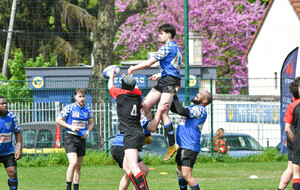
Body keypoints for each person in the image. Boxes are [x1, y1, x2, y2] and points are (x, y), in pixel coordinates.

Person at [128, 23, 182, 161]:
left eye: (161, 33)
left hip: (169, 82)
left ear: (168, 34)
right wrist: (161, 74)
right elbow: (173, 67)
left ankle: (172, 145)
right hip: (165, 80)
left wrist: (133, 69)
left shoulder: (167, 48)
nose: (159, 36)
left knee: (163, 112)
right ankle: (147, 136)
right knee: (144, 106)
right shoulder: (176, 48)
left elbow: (148, 63)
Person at [111, 101, 169, 190]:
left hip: (124, 146)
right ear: (141, 109)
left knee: (142, 171)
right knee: (135, 173)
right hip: (121, 147)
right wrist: (159, 111)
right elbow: (153, 127)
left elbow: (147, 136)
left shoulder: (130, 114)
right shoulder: (139, 116)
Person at [108, 71, 149, 190]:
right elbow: (135, 87)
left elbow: (110, 86)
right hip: (137, 132)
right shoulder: (138, 94)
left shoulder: (120, 95)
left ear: (122, 85)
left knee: (134, 167)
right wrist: (130, 79)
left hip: (130, 133)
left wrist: (111, 75)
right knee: (127, 166)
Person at [170, 89, 212, 190]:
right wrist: (168, 96)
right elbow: (174, 109)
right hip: (182, 146)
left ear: (205, 100)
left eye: (200, 94)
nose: (197, 94)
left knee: (186, 175)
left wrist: (175, 95)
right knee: (180, 174)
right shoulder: (192, 107)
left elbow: (181, 111)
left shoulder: (201, 109)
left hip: (190, 146)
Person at [56, 88, 94, 190]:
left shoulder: (88, 109)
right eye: (79, 96)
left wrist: (87, 132)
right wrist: (71, 127)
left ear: (86, 97)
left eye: (83, 96)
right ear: (75, 97)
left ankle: (76, 188)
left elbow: (91, 123)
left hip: (81, 139)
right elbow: (58, 120)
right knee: (73, 162)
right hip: (70, 138)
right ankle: (68, 187)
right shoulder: (69, 107)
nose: (82, 99)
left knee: (78, 166)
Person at [0, 96, 22, 190]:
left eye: (6, 103)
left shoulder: (12, 117)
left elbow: (18, 132)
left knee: (13, 173)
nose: (5, 105)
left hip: (8, 152)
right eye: (2, 104)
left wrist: (19, 149)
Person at [283, 77, 300, 190]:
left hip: (297, 143)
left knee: (296, 174)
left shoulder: (293, 106)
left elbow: (287, 128)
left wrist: (295, 141)